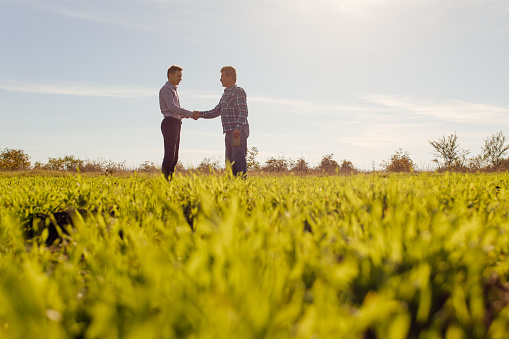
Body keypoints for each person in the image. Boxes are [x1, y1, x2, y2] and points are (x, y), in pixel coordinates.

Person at [192, 66, 249, 177]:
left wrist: (238, 127)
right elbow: (216, 111)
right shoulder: (225, 94)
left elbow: (243, 111)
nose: (220, 79)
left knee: (238, 159)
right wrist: (200, 114)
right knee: (229, 161)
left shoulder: (238, 91)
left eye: (222, 76)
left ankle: (242, 185)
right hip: (228, 131)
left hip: (237, 131)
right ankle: (232, 185)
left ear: (230, 77)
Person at [159, 65, 194, 180]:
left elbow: (174, 109)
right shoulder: (166, 89)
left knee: (175, 156)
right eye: (178, 76)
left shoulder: (173, 89)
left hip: (176, 123)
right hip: (169, 123)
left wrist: (183, 115)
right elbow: (172, 107)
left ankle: (170, 179)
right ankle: (165, 180)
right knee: (170, 154)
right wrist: (190, 113)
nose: (180, 78)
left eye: (181, 76)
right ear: (170, 75)